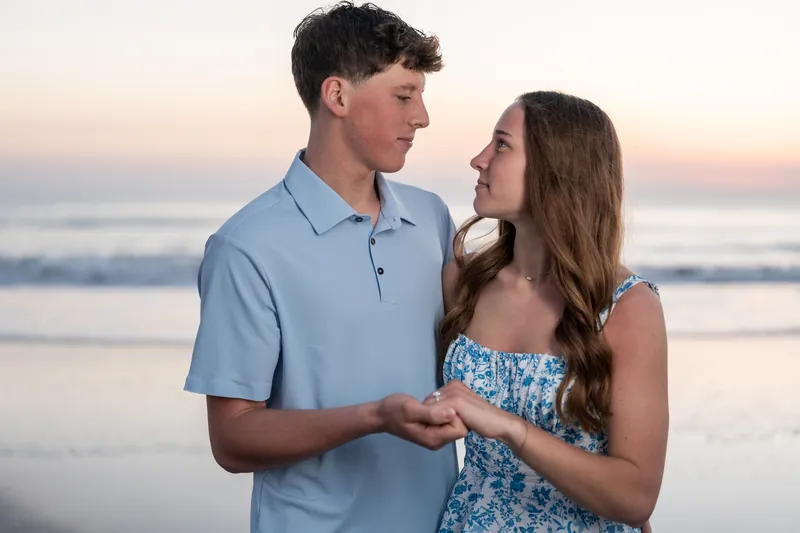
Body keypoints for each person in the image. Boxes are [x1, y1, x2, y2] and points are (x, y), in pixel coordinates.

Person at [183, 3, 466, 532]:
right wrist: (374, 417)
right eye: (404, 96)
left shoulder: (431, 217)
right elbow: (232, 439)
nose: (422, 117)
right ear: (337, 96)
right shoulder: (246, 247)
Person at [426, 91, 668, 532]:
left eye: (502, 145)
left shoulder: (627, 307)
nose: (479, 160)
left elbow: (636, 497)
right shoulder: (462, 283)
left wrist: (509, 427)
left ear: (554, 171)